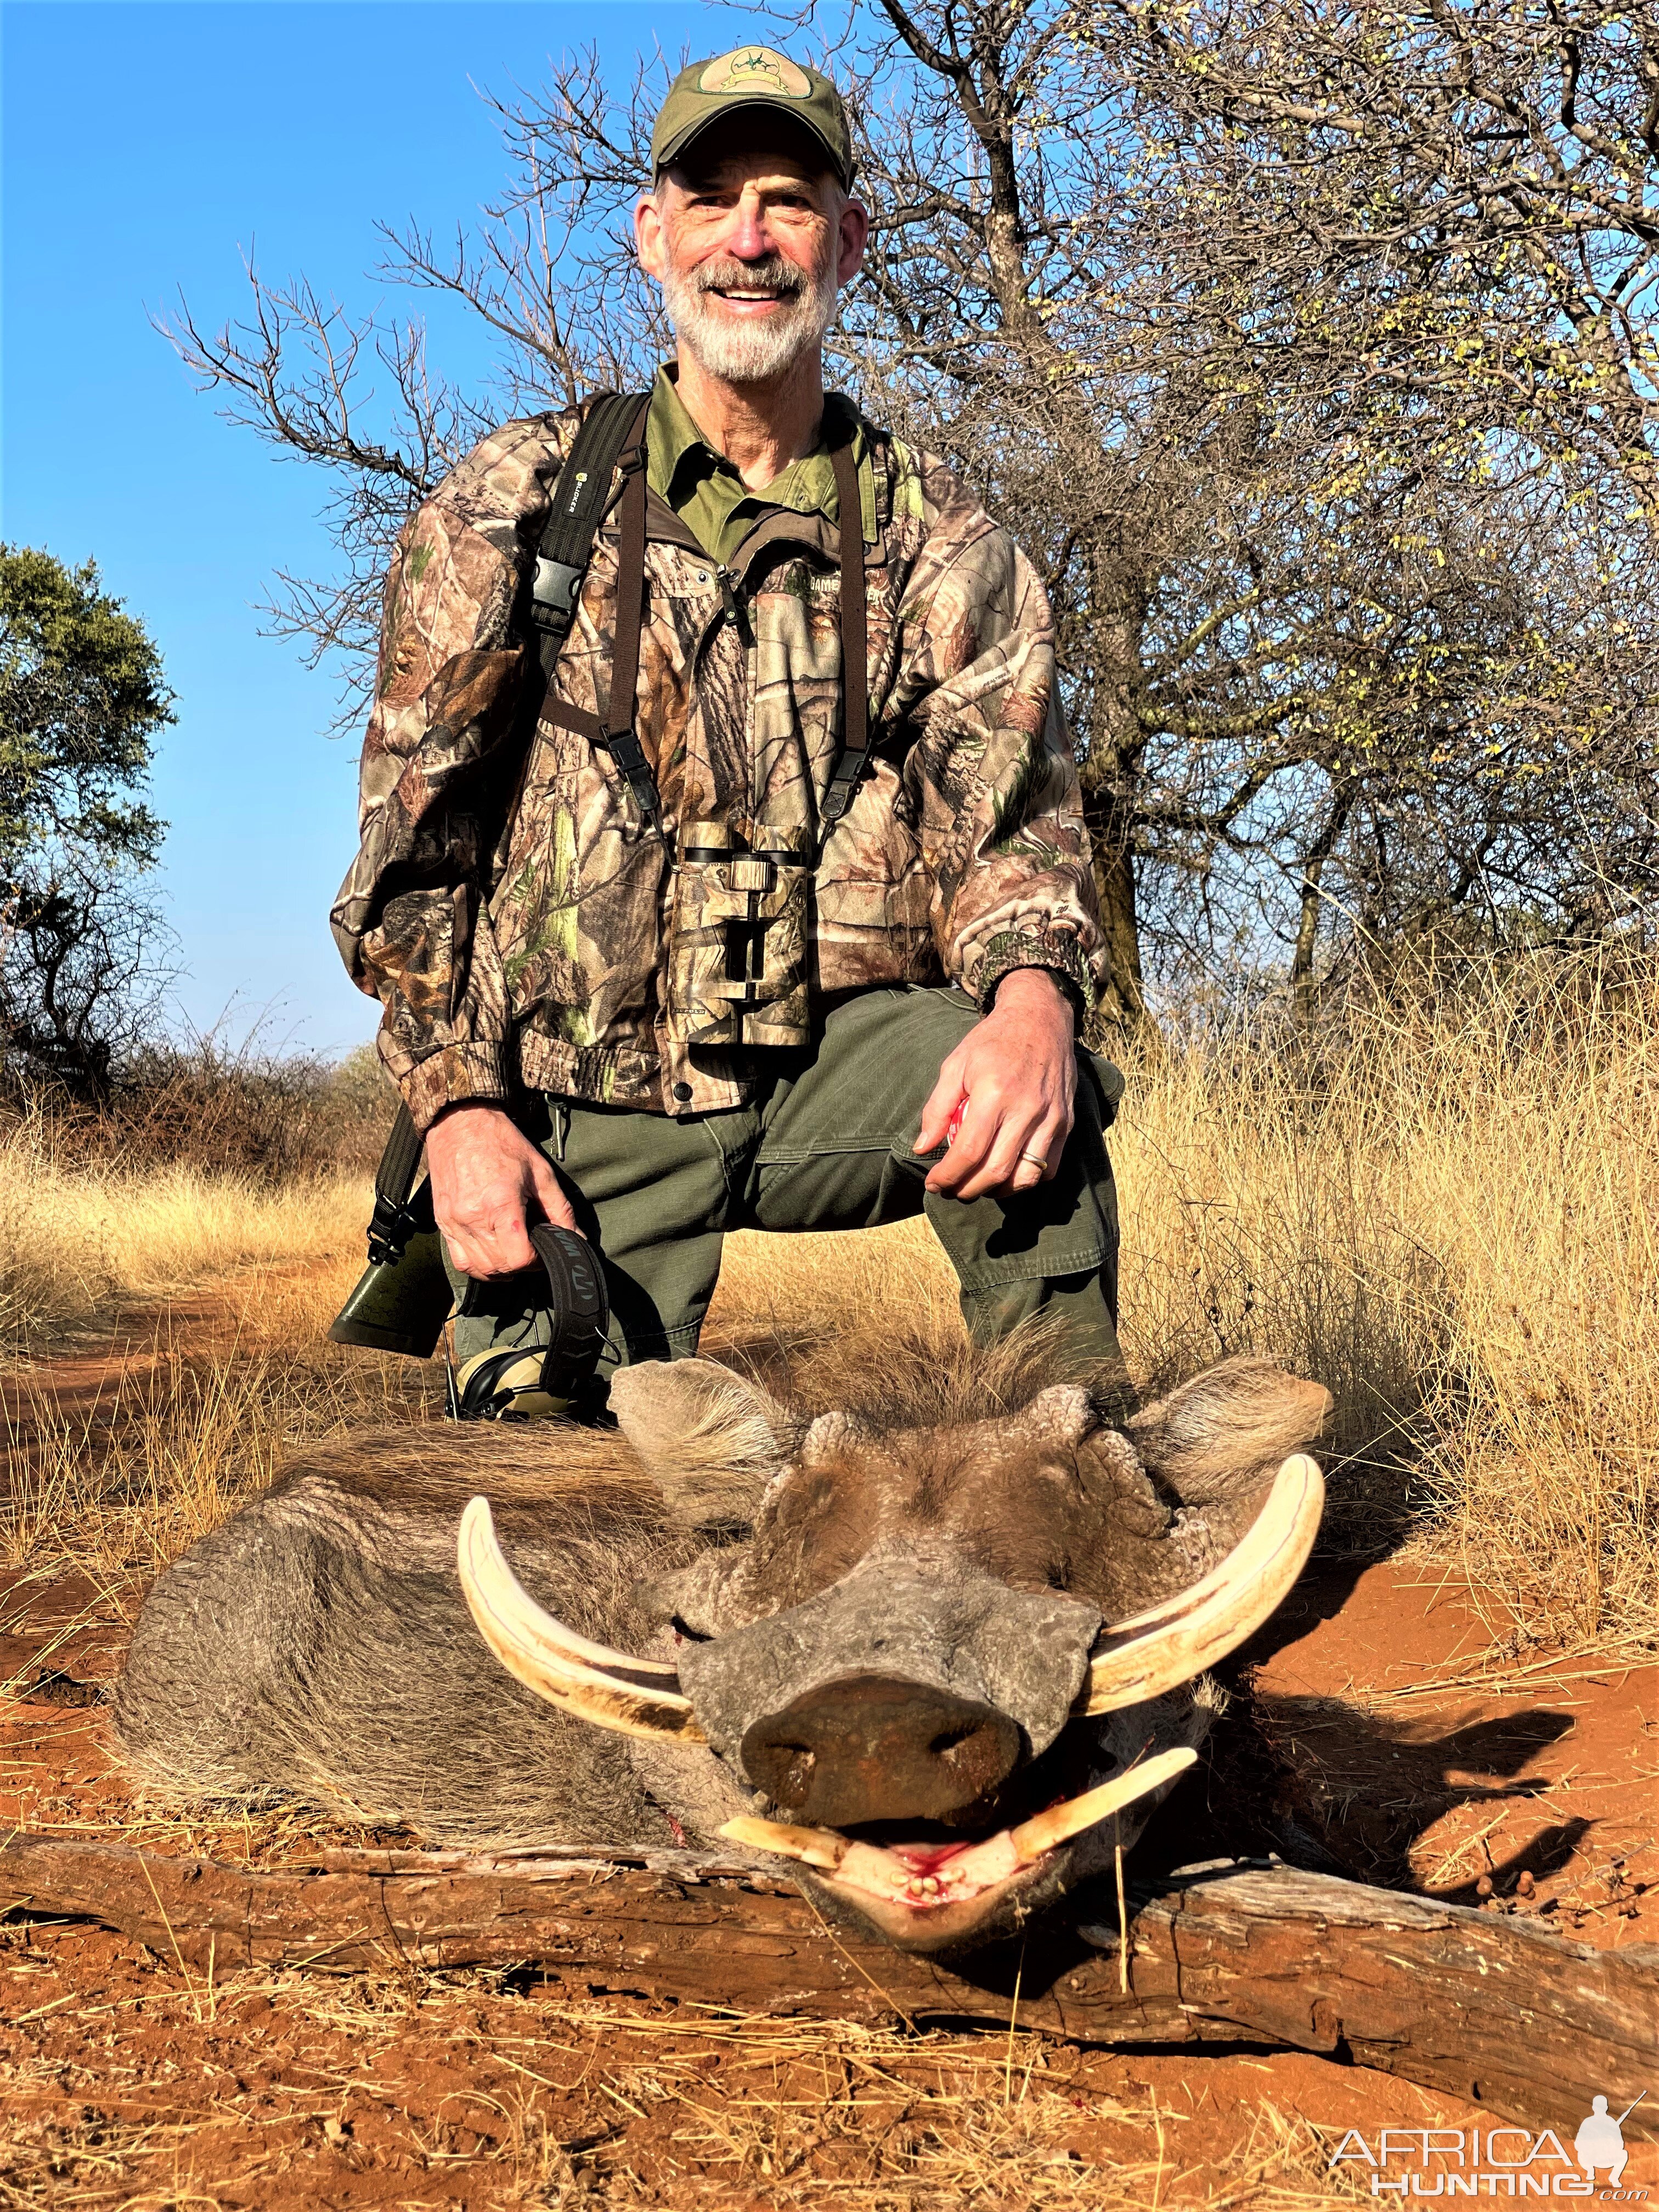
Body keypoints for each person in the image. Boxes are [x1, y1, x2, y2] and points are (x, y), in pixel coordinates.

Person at [331, 41, 1123, 1406]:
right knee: (557, 1494)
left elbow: (1013, 835)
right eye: (712, 198)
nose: (749, 240)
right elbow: (414, 862)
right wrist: (457, 1112)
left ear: (849, 240)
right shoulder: (511, 505)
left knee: (1034, 1095)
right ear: (654, 233)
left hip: (844, 1064)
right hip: (586, 1102)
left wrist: (1034, 1003)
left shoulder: (950, 542)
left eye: (791, 200)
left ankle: (1075, 1456)